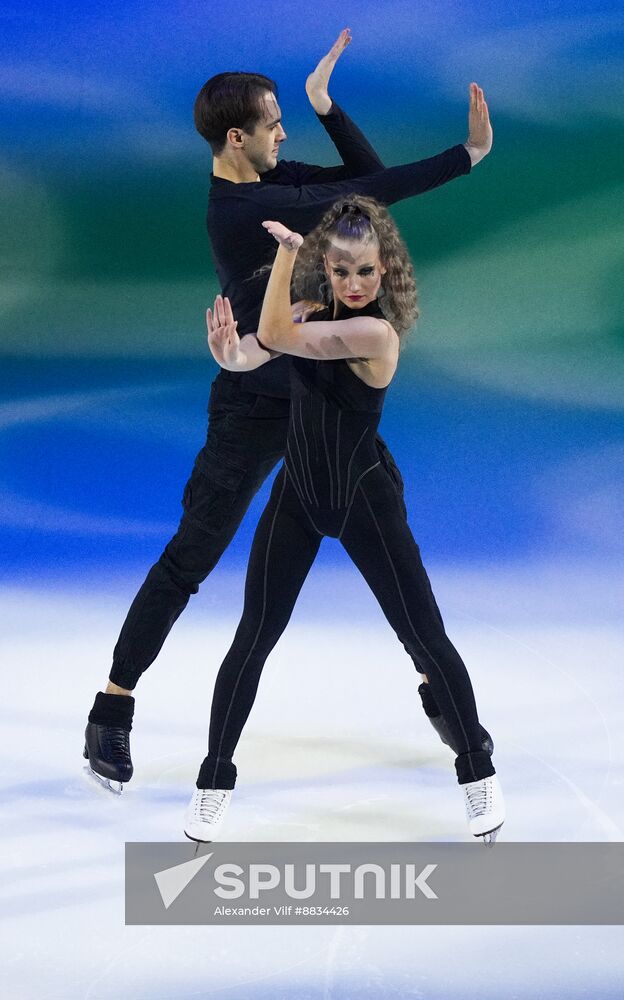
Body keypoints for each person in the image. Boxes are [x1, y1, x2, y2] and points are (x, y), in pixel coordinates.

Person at [83, 28, 495, 794]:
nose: (284, 135)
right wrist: (466, 158)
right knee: (193, 554)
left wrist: (326, 106)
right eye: (276, 124)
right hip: (250, 401)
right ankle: (112, 705)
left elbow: (364, 182)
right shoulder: (244, 210)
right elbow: (377, 193)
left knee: (394, 548)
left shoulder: (276, 179)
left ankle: (444, 695)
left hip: (324, 401)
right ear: (237, 139)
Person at [183, 196, 505, 845]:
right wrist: (228, 358)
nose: (353, 285)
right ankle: (213, 782)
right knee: (253, 638)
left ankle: (478, 772)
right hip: (298, 493)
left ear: (384, 273)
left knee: (424, 637)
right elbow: (258, 353)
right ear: (326, 274)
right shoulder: (308, 314)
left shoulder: (376, 335)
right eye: (340, 273)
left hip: (364, 498)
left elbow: (275, 335)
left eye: (365, 272)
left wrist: (286, 254)